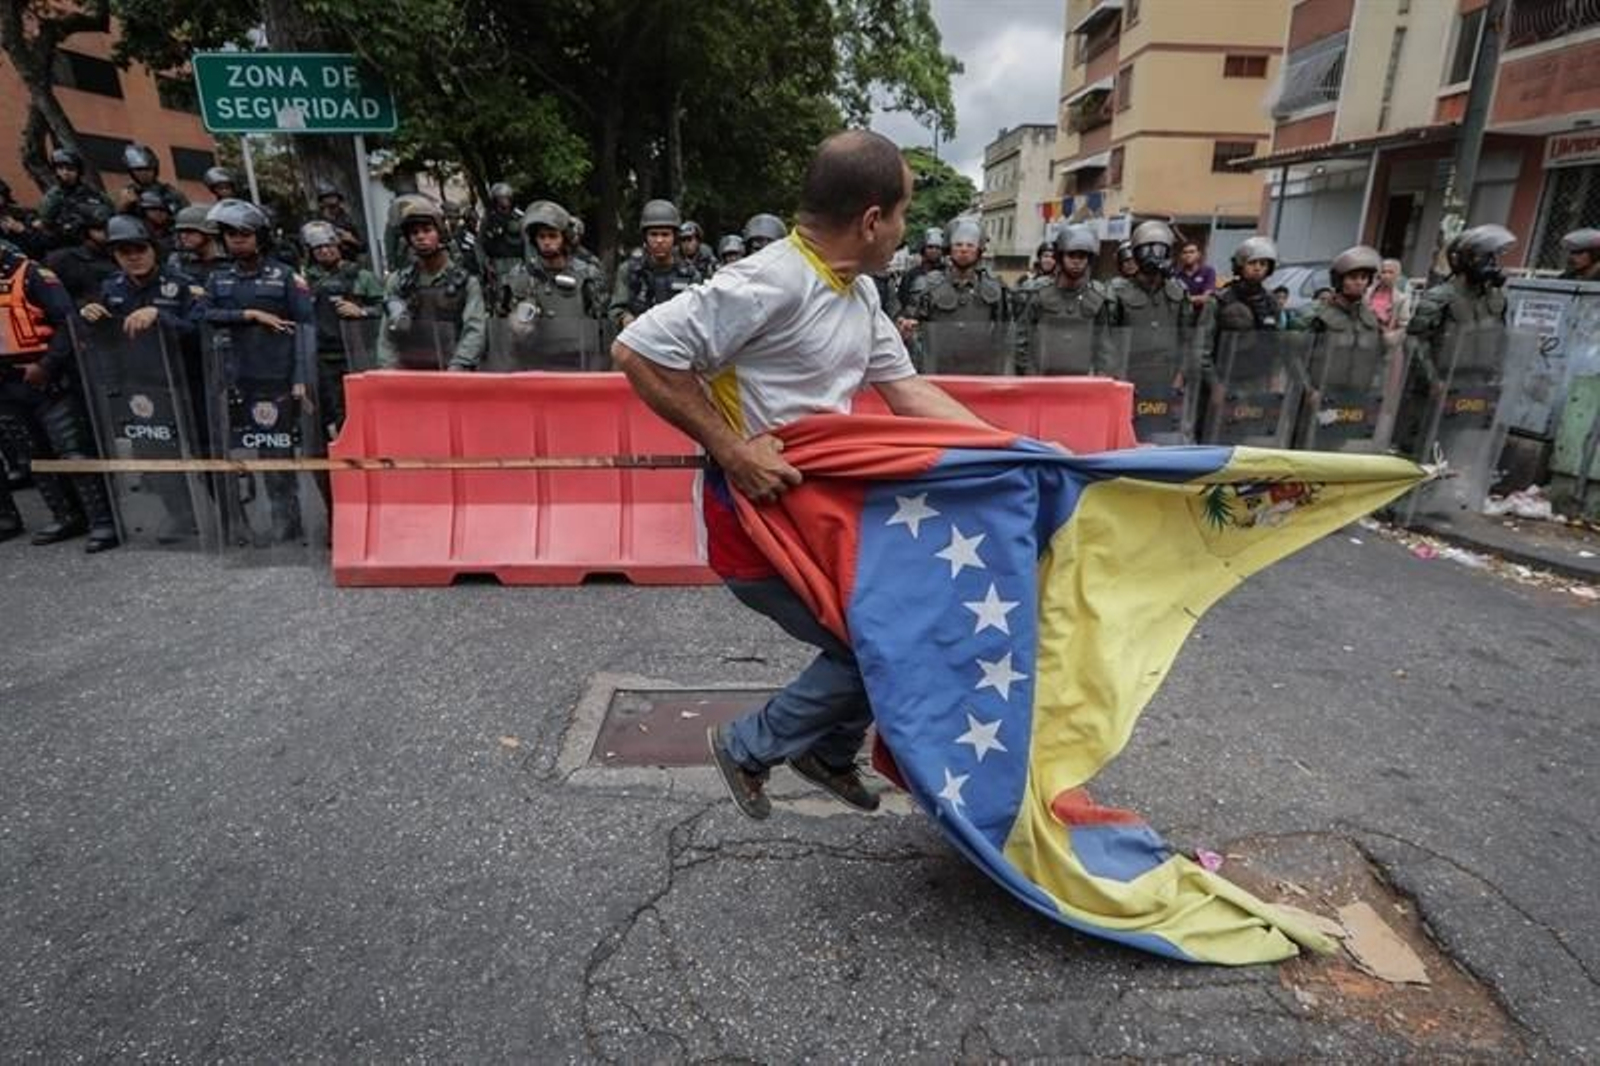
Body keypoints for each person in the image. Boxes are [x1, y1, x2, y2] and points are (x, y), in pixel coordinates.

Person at [612, 129, 988, 821]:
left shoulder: (859, 294)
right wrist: (734, 451)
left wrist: (1019, 451)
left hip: (821, 519)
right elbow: (637, 351)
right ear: (871, 220)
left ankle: (828, 753)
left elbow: (909, 393)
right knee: (878, 646)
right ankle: (750, 746)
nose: (904, 231)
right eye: (902, 214)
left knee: (892, 634)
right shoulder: (769, 281)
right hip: (754, 523)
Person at [79, 215, 208, 541]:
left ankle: (231, 520)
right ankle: (181, 517)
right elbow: (105, 340)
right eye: (125, 252)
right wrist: (89, 318)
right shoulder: (110, 289)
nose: (134, 257)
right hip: (141, 386)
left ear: (153, 249)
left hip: (186, 382)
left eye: (140, 249)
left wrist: (160, 316)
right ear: (115, 255)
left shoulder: (182, 284)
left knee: (205, 452)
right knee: (157, 455)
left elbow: (200, 330)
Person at [202, 198, 315, 544]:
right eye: (230, 234)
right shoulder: (218, 279)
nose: (237, 240)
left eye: (245, 233)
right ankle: (245, 522)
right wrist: (248, 315)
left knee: (276, 449)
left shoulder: (285, 277)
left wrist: (301, 378)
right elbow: (203, 314)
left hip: (276, 377)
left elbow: (305, 328)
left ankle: (286, 519)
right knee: (243, 451)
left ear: (260, 237)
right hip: (235, 377)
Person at [0, 240, 118, 550]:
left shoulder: (32, 273)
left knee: (72, 449)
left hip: (47, 378)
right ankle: (66, 515)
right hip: (7, 384)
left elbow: (68, 322)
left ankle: (103, 520)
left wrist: (47, 365)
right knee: (33, 455)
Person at [1398, 225, 1516, 457]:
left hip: (1474, 387)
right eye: (1485, 257)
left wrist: (1498, 376)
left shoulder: (1496, 299)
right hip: (1438, 389)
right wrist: (1433, 381)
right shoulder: (1439, 296)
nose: (1492, 264)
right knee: (1420, 450)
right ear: (1464, 259)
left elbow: (1500, 339)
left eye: (1494, 257)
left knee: (1456, 450)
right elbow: (1414, 341)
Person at [377, 198, 487, 371]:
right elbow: (387, 336)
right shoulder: (398, 282)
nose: (420, 237)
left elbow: (474, 330)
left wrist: (459, 366)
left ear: (440, 233)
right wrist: (389, 370)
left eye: (427, 230)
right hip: (411, 371)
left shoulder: (466, 283)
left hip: (454, 371)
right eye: (414, 232)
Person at [501, 200, 607, 368]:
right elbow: (502, 324)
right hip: (534, 362)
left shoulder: (586, 275)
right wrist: (516, 324)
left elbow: (601, 323)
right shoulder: (520, 276)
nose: (547, 242)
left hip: (578, 361)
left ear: (564, 238)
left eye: (553, 236)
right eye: (542, 237)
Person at [301, 220, 382, 432]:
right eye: (318, 247)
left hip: (357, 355)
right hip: (322, 357)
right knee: (330, 411)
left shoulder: (361, 276)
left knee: (362, 407)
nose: (324, 251)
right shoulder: (306, 280)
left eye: (329, 245)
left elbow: (386, 309)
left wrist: (362, 311)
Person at [1301, 246, 1384, 448]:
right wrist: (1309, 390)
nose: (1359, 282)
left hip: (1352, 398)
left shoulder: (1370, 319)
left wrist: (1375, 390)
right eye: (1353, 277)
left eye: (1364, 277)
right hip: (1320, 397)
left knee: (1338, 448)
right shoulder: (1318, 315)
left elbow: (1378, 359)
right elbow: (1296, 356)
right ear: (1339, 280)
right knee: (1310, 447)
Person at [908, 218, 1009, 373]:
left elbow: (1003, 335)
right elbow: (914, 330)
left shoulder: (995, 288)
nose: (964, 250)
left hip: (980, 371)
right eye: (958, 244)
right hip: (938, 370)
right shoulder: (927, 286)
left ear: (979, 250)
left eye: (970, 245)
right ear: (949, 249)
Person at [1014, 224, 1113, 376]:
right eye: (1071, 255)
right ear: (1061, 257)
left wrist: (1101, 378)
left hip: (1081, 382)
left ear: (1089, 260)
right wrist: (1029, 375)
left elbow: (1104, 348)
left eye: (1082, 256)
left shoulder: (1097, 298)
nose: (1076, 261)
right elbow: (1022, 339)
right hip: (1042, 380)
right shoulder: (1040, 295)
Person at [609, 199, 702, 331]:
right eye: (653, 234)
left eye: (665, 235)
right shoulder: (629, 271)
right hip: (640, 337)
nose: (659, 240)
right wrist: (625, 319)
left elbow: (699, 315)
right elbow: (615, 309)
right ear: (645, 237)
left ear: (675, 237)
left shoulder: (690, 275)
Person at [43, 202, 116, 307]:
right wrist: (82, 306)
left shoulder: (119, 254)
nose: (108, 233)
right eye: (100, 228)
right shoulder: (62, 260)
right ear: (85, 232)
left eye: (110, 227)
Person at [38, 148, 113, 248]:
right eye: (61, 168)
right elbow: (44, 224)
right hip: (67, 245)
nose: (65, 173)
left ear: (78, 171)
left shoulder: (94, 192)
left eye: (70, 169)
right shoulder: (53, 196)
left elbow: (111, 213)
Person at [116, 143, 188, 217]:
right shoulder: (128, 193)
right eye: (139, 170)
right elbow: (117, 220)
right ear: (131, 172)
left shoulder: (170, 193)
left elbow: (186, 216)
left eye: (148, 169)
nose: (144, 173)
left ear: (155, 169)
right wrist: (124, 207)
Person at [478, 182, 523, 297]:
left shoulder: (519, 217)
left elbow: (527, 241)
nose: (504, 201)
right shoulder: (488, 220)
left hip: (517, 262)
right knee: (501, 298)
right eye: (500, 198)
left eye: (506, 198)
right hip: (497, 264)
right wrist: (485, 264)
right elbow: (480, 243)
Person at [167, 205, 226, 285]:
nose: (183, 236)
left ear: (209, 233)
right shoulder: (178, 260)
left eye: (190, 231)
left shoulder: (230, 258)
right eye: (181, 231)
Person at [1176, 239, 1216, 311]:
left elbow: (1207, 296)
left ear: (1198, 255)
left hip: (1200, 312)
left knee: (1211, 302)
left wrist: (1187, 299)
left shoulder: (1208, 271)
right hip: (1180, 310)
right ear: (1181, 256)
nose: (1188, 255)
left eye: (1192, 252)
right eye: (1185, 252)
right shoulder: (1176, 274)